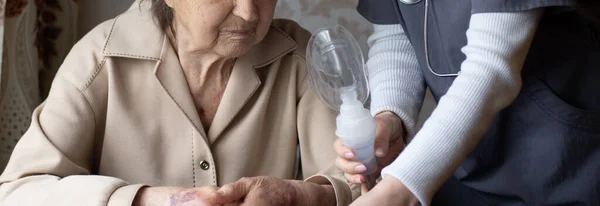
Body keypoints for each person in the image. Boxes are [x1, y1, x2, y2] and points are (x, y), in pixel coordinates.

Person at [0, 0, 361, 205]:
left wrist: (300, 196)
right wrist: (142, 201)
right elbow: (17, 193)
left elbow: (360, 184)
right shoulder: (100, 60)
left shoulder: (298, 58)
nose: (250, 13)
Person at [335, 0, 600, 205]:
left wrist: (399, 189)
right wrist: (390, 116)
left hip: (566, 163)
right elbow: (396, 34)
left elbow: (491, 68)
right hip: (467, 166)